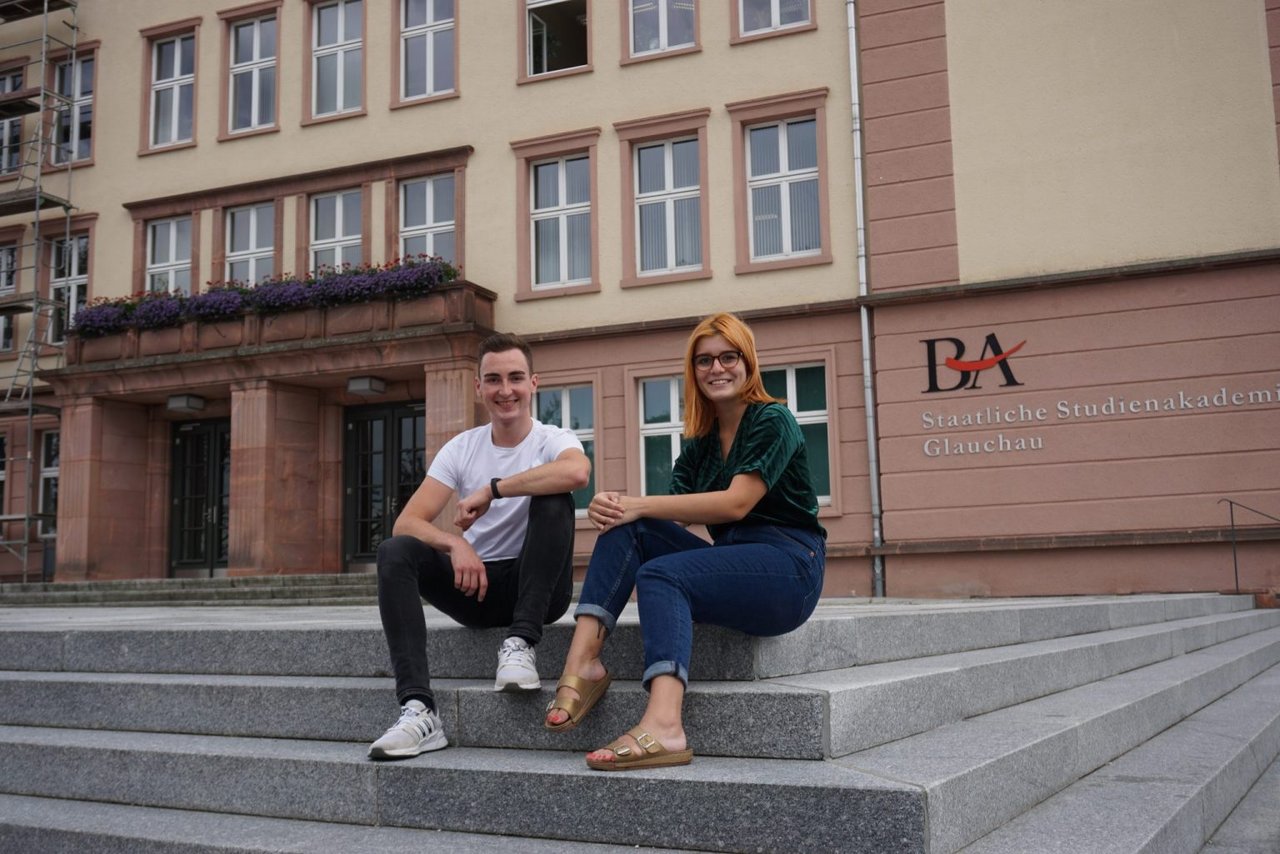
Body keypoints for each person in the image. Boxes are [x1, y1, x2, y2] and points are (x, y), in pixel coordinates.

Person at [544, 312, 826, 770]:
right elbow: (669, 520)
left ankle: (665, 725)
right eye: (705, 360)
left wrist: (640, 503)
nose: (717, 368)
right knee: (629, 528)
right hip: (737, 561)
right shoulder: (699, 440)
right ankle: (585, 663)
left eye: (728, 357)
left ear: (748, 362)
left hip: (790, 568)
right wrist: (614, 507)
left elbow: (735, 504)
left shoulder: (773, 419)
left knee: (660, 573)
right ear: (693, 370)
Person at [368, 332, 591, 760]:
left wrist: (494, 490)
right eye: (493, 379)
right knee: (394, 551)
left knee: (555, 495)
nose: (505, 390)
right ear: (478, 388)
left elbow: (577, 473)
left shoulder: (552, 438)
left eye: (515, 378)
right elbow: (407, 522)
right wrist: (453, 544)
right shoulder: (462, 447)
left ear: (533, 383)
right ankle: (418, 710)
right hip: (477, 588)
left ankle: (521, 644)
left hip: (539, 591)